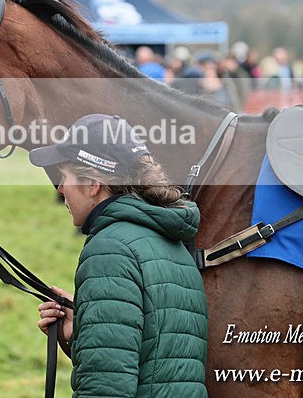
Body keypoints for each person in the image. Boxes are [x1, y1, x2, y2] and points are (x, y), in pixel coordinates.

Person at [33, 114, 208, 397]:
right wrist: (81, 331)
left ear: (93, 183)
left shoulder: (109, 250)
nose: (60, 189)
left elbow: (105, 389)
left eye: (64, 177)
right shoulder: (173, 244)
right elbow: (158, 363)